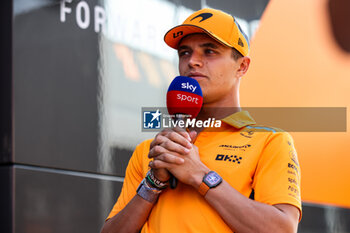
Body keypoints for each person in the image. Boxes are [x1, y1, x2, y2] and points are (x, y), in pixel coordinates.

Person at [101, 8, 301, 233]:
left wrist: (200, 175)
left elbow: (283, 229)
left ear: (242, 66)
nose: (192, 61)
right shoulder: (153, 151)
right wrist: (153, 183)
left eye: (209, 51)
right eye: (184, 52)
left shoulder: (270, 142)